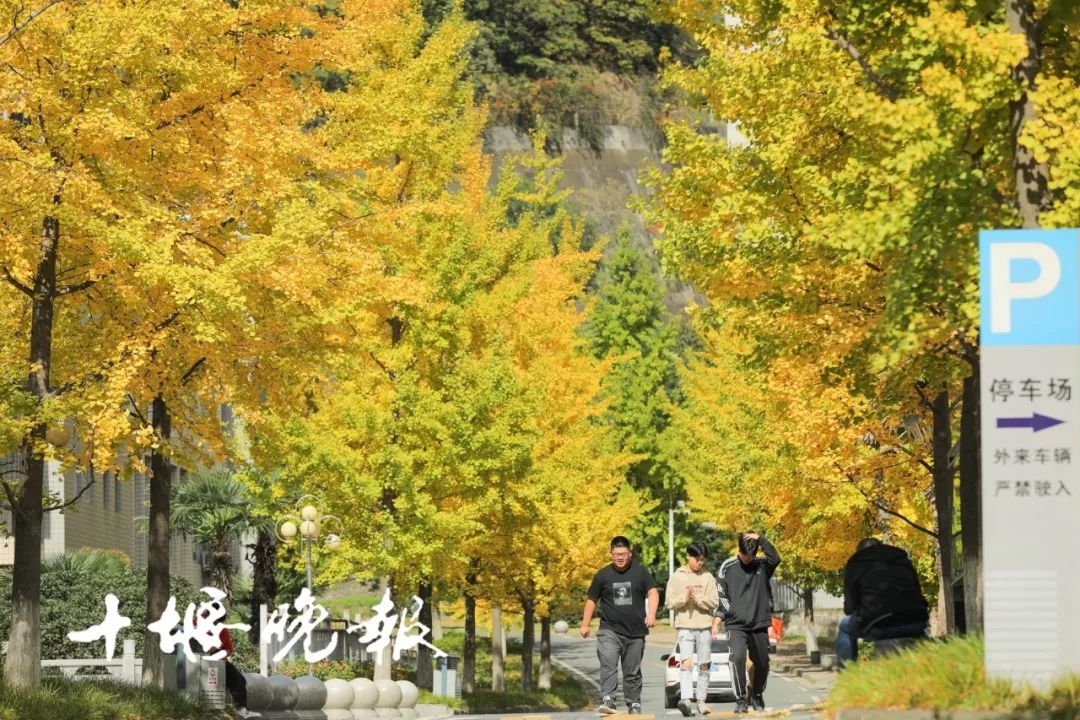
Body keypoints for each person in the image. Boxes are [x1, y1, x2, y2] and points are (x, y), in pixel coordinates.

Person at [581, 536, 659, 715]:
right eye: (617, 554)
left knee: (632, 671)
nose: (620, 557)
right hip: (609, 630)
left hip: (635, 632)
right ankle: (608, 699)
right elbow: (592, 600)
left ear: (630, 554)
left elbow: (653, 592)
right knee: (608, 663)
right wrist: (585, 624)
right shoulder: (603, 575)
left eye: (624, 554)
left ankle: (634, 703)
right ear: (611, 554)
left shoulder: (640, 572)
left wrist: (652, 614)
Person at [712, 531, 780, 714]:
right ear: (739, 550)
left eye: (752, 555)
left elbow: (775, 558)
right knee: (737, 658)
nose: (749, 559)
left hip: (759, 623)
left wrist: (761, 539)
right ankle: (741, 698)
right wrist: (728, 614)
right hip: (736, 625)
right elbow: (722, 594)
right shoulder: (728, 566)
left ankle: (757, 694)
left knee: (763, 662)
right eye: (745, 555)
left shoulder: (762, 565)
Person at [836, 538, 929, 668]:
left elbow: (849, 609)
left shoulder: (855, 564)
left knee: (845, 626)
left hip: (880, 623)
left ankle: (847, 675)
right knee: (920, 632)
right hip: (916, 620)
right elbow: (917, 591)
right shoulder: (902, 560)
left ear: (859, 551)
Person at [665, 541, 720, 717]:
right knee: (686, 662)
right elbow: (669, 602)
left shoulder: (708, 577)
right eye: (697, 559)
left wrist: (699, 599)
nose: (700, 563)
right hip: (685, 626)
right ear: (688, 556)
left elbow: (714, 602)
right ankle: (687, 699)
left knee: (704, 664)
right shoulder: (677, 576)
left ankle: (701, 701)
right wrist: (684, 598)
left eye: (702, 560)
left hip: (704, 625)